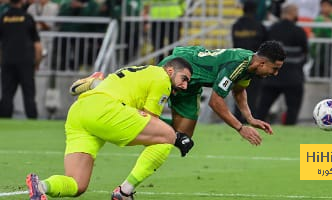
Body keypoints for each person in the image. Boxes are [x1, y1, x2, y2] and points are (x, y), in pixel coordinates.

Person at [26, 57, 194, 200]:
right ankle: (124, 191)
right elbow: (152, 120)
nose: (185, 85)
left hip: (79, 112)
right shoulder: (162, 78)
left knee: (77, 184)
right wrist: (177, 136)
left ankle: (41, 187)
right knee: (166, 137)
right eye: (184, 78)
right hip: (104, 108)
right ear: (170, 70)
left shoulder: (140, 71)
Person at [70, 41, 286, 145]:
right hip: (179, 71)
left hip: (192, 84)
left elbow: (239, 91)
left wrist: (250, 117)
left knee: (182, 135)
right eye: (274, 69)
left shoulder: (249, 66)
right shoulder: (238, 63)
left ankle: (129, 113)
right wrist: (241, 128)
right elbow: (216, 102)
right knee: (149, 119)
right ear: (262, 62)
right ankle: (99, 85)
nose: (275, 74)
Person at [254, 3, 308, 125]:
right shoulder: (299, 31)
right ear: (293, 13)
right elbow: (305, 54)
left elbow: (262, 52)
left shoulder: (272, 29)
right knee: (292, 111)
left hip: (271, 77)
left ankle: (256, 133)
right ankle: (289, 136)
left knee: (262, 110)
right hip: (294, 78)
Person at [0, 0, 42, 119]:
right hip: (26, 61)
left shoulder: (3, 18)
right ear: (22, 2)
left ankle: (4, 121)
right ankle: (32, 120)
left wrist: (2, 61)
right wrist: (37, 62)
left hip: (7, 60)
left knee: (7, 93)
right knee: (29, 93)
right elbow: (38, 46)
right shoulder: (28, 18)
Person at [231, 0, 269, 123]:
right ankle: (250, 119)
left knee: (237, 92)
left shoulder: (236, 25)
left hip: (238, 64)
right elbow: (265, 47)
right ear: (255, 10)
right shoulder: (259, 26)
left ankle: (237, 118)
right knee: (252, 94)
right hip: (255, 66)